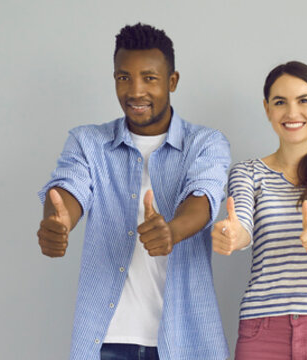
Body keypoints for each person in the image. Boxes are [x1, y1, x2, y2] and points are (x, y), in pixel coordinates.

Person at [36, 23, 230, 359]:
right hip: (107, 342)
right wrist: (59, 221)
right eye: (124, 77)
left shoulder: (205, 143)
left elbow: (204, 197)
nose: (135, 91)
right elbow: (68, 189)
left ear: (172, 81)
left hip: (185, 340)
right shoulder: (88, 142)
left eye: (149, 78)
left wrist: (172, 230)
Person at [211, 61, 307, 359]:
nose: (292, 113)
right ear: (267, 109)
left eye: (304, 101)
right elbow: (242, 225)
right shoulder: (247, 172)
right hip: (261, 327)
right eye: (280, 102)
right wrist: (231, 235)